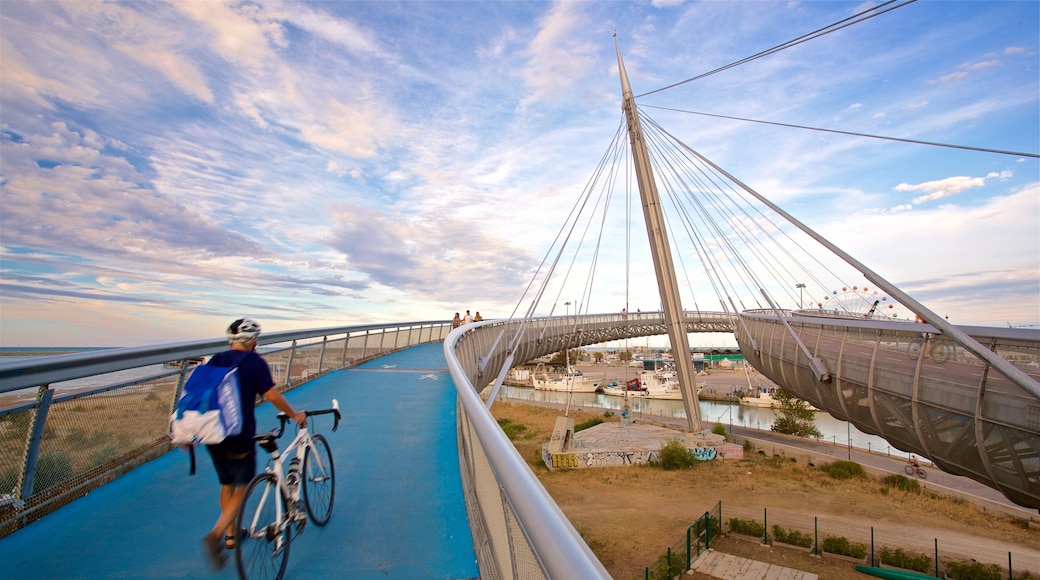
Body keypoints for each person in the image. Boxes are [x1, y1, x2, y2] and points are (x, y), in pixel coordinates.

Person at [201, 318, 307, 569]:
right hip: (239, 436)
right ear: (253, 341)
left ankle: (231, 536)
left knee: (227, 484)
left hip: (213, 435)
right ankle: (216, 533)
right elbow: (272, 396)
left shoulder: (216, 359)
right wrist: (294, 414)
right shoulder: (255, 363)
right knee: (243, 487)